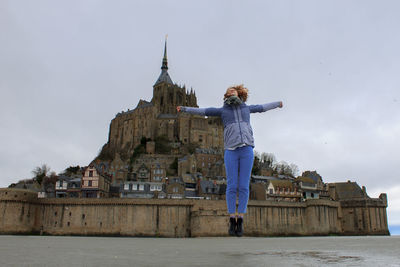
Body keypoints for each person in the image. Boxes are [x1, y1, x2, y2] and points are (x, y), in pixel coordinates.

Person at [177, 84, 283, 236]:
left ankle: (240, 219)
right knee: (232, 185)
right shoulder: (222, 111)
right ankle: (231, 218)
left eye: (233, 90)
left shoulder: (246, 108)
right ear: (226, 96)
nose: (231, 91)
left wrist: (277, 104)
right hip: (231, 151)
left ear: (239, 94)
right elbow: (203, 111)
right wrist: (185, 109)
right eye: (228, 91)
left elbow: (262, 107)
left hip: (246, 148)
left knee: (244, 185)